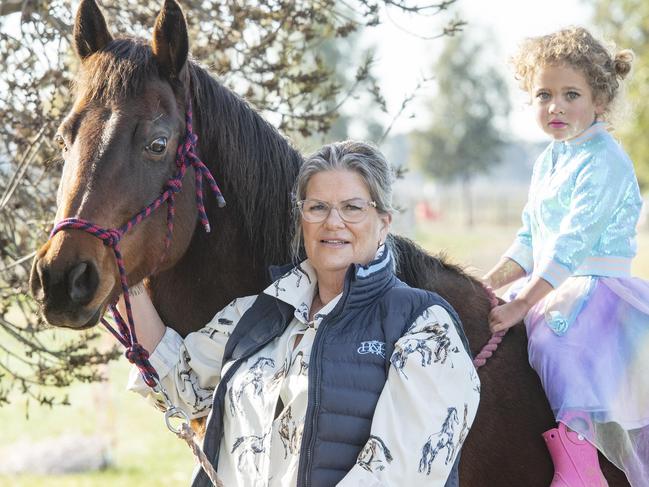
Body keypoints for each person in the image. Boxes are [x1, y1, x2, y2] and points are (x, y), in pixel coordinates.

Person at [126, 141, 480, 487]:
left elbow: (403, 473)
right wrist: (125, 280)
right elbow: (179, 385)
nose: (333, 222)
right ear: (302, 220)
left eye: (353, 208)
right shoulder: (259, 312)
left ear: (384, 222)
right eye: (318, 208)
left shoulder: (424, 327)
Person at [483, 27, 649, 487]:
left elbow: (572, 245)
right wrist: (488, 284)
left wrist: (523, 302)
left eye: (570, 94)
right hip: (552, 278)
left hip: (596, 285)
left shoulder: (606, 160)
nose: (555, 106)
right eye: (544, 94)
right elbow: (530, 239)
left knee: (560, 342)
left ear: (599, 100)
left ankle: (580, 459)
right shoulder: (548, 160)